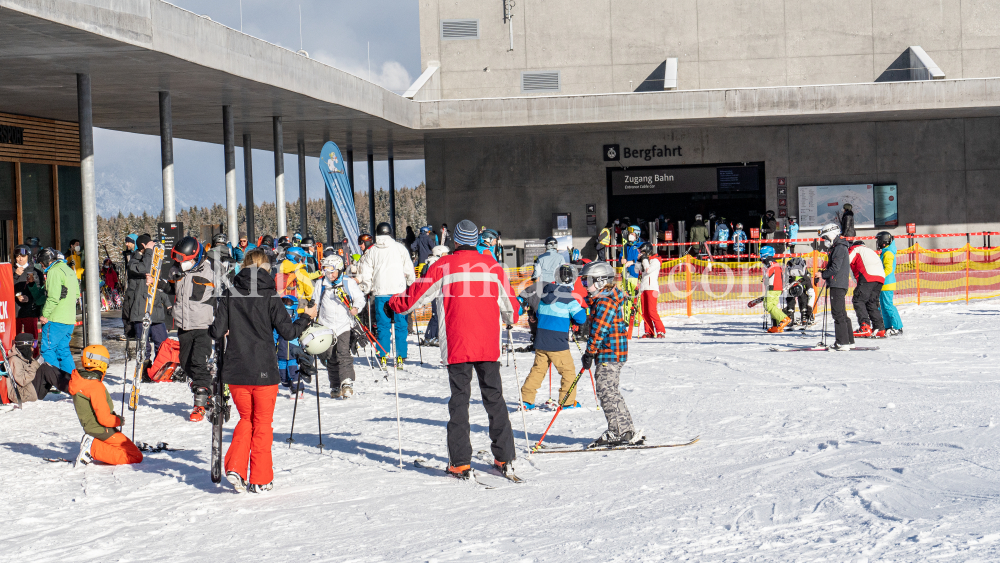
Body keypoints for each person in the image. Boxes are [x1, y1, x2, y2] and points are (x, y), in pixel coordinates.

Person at [388, 219, 519, 478]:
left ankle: (460, 462)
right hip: (488, 345)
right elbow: (512, 310)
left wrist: (393, 304)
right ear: (476, 241)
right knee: (494, 398)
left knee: (460, 401)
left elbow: (416, 295)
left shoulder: (443, 266)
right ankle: (504, 457)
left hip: (458, 345)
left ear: (455, 240)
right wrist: (508, 319)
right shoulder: (492, 266)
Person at [209, 248, 317, 493]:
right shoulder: (270, 296)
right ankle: (260, 478)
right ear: (266, 269)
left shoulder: (229, 293)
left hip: (236, 370)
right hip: (264, 370)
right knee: (262, 423)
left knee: (246, 419)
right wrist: (307, 317)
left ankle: (236, 466)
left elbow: (216, 331)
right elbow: (288, 333)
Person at [579, 261, 638, 447]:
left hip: (609, 353)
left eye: (586, 281)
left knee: (606, 392)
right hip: (612, 352)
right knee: (611, 391)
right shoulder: (604, 297)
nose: (584, 285)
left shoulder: (605, 301)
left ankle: (617, 431)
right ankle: (626, 429)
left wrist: (589, 352)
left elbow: (599, 330)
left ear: (600, 281)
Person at [518, 264, 587, 410]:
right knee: (568, 372)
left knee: (538, 370)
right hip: (558, 344)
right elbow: (581, 318)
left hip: (541, 342)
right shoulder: (569, 299)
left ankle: (526, 400)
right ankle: (567, 401)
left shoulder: (543, 297)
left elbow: (538, 314)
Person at [69, 344, 144, 466]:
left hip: (93, 428)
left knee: (126, 449)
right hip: (102, 429)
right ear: (100, 363)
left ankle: (94, 445)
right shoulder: (94, 386)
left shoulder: (80, 380)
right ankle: (93, 448)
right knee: (135, 456)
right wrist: (118, 420)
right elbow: (104, 419)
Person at [169, 236, 216, 422]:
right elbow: (171, 291)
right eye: (178, 259)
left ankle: (200, 404)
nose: (181, 264)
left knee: (198, 362)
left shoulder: (210, 273)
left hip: (203, 325)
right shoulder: (175, 271)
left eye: (184, 260)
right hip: (184, 325)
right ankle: (203, 386)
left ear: (195, 257)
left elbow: (223, 296)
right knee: (186, 364)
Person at [357, 222, 415, 370]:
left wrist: (367, 289)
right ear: (390, 233)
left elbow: (366, 273)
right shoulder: (400, 248)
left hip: (380, 292)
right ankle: (401, 355)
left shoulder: (372, 251)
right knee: (401, 325)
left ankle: (383, 355)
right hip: (399, 292)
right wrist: (411, 284)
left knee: (383, 326)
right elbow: (409, 268)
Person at [313, 254, 367, 398]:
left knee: (343, 353)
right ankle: (335, 385)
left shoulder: (348, 282)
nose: (329, 274)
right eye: (326, 271)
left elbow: (360, 298)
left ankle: (347, 382)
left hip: (344, 325)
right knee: (330, 356)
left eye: (332, 271)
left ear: (339, 270)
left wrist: (356, 307)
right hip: (326, 325)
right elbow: (315, 303)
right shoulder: (320, 284)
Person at [125, 235, 168, 364]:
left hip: (155, 308)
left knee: (162, 343)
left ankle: (160, 368)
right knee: (144, 346)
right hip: (140, 311)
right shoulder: (133, 262)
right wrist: (148, 251)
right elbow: (145, 268)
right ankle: (144, 369)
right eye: (150, 246)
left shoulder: (155, 260)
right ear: (143, 246)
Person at [37, 248, 80, 374]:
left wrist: (44, 314)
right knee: (63, 350)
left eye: (41, 262)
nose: (41, 265)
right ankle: (71, 380)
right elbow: (77, 294)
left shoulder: (54, 271)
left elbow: (53, 298)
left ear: (46, 260)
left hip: (55, 319)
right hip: (69, 319)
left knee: (48, 350)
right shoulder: (69, 270)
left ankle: (55, 380)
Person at [1, 333, 70, 404]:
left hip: (30, 390)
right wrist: (35, 364)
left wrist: (38, 363)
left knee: (48, 367)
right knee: (45, 369)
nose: (33, 347)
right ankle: (72, 388)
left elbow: (33, 371)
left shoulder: (24, 356)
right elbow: (22, 380)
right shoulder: (14, 360)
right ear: (25, 345)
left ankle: (73, 381)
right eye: (33, 344)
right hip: (23, 394)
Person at [817, 223, 853, 350]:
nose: (825, 241)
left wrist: (822, 274)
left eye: (826, 238)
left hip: (837, 283)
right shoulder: (839, 247)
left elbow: (835, 268)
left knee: (837, 313)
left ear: (832, 234)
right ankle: (848, 340)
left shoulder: (839, 248)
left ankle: (842, 342)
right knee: (842, 312)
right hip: (838, 282)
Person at [849, 241, 886, 338]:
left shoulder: (855, 249)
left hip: (868, 276)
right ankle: (880, 328)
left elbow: (846, 261)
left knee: (858, 299)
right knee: (871, 302)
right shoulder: (870, 251)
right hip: (880, 277)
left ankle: (865, 327)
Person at [419, 245, 449, 346]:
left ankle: (436, 335)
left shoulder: (439, 262)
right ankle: (429, 336)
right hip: (435, 292)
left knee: (440, 314)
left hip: (440, 291)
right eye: (445, 254)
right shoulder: (433, 262)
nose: (447, 255)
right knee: (435, 314)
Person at [13, 245, 43, 339]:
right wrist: (15, 276)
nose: (20, 259)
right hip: (14, 311)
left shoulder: (36, 272)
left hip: (30, 311)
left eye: (23, 256)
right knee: (14, 339)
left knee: (32, 338)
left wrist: (29, 298)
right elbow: (5, 288)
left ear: (28, 256)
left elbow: (39, 291)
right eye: (17, 256)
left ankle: (34, 354)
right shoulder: (11, 271)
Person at [277, 246, 320, 312]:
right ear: (297, 258)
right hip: (299, 309)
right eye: (303, 258)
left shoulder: (280, 269)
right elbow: (309, 291)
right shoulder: (301, 272)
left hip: (282, 307)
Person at [635, 242, 665, 338]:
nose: (641, 253)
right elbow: (637, 270)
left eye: (642, 252)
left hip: (652, 288)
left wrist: (644, 260)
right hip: (644, 288)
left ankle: (660, 331)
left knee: (652, 311)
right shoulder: (646, 260)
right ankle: (649, 331)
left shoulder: (655, 261)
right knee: (645, 312)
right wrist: (639, 261)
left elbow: (648, 270)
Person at [877, 232, 903, 336]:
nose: (877, 242)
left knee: (888, 306)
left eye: (879, 240)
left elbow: (888, 268)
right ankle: (888, 326)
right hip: (884, 283)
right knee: (883, 307)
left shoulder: (888, 253)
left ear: (883, 241)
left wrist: (880, 275)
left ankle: (898, 327)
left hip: (887, 283)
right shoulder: (885, 251)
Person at [759, 246, 791, 333]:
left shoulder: (769, 262)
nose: (760, 256)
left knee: (768, 305)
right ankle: (775, 326)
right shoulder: (773, 263)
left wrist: (765, 278)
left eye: (761, 254)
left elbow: (769, 274)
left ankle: (784, 319)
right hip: (776, 287)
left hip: (773, 287)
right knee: (772, 305)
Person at [782, 257, 815, 326]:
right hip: (793, 285)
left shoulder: (805, 279)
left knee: (796, 297)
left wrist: (784, 308)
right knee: (801, 298)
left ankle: (791, 316)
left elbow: (782, 295)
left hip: (798, 285)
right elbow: (811, 294)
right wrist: (809, 308)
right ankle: (804, 316)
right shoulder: (804, 278)